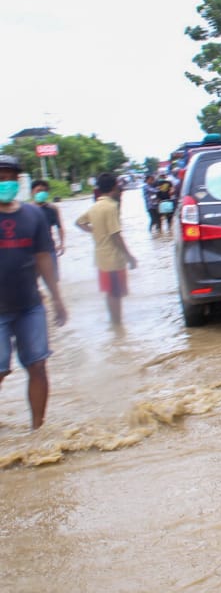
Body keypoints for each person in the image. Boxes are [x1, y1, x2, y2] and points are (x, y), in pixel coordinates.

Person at [0, 154, 67, 430]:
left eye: (9, 178)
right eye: (0, 178)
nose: (5, 183)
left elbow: (43, 258)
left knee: (38, 366)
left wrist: (57, 298)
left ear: (18, 180)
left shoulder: (34, 214)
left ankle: (37, 430)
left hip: (30, 305)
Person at [75, 172, 138, 326]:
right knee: (116, 293)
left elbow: (79, 222)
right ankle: (118, 325)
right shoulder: (111, 207)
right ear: (114, 186)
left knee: (110, 293)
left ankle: (114, 324)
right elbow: (116, 236)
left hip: (101, 258)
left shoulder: (96, 206)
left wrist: (95, 231)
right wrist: (130, 257)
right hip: (113, 258)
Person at [29, 180, 65, 273]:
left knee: (53, 278)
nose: (41, 193)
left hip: (49, 249)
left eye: (44, 191)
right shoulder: (26, 210)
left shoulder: (52, 209)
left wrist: (61, 244)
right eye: (38, 191)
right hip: (31, 250)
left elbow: (60, 227)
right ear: (32, 192)